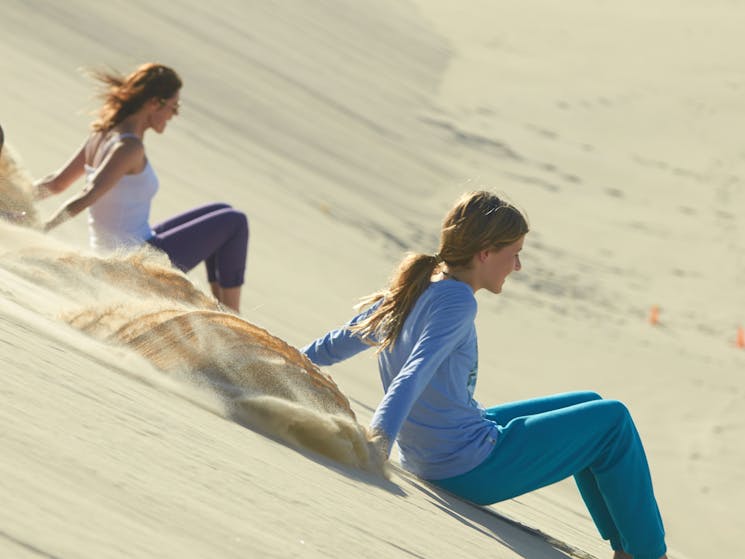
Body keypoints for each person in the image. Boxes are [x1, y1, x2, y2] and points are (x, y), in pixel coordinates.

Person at [301, 191, 667, 559]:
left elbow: (336, 343)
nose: (518, 266)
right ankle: (648, 555)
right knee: (613, 420)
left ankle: (627, 548)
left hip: (440, 450)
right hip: (465, 467)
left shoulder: (415, 285)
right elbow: (414, 373)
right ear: (486, 252)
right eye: (514, 254)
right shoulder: (458, 301)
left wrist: (274, 362)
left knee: (589, 405)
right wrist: (376, 447)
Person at [35, 63, 248, 312]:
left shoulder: (102, 135)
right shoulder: (128, 148)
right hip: (134, 264)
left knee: (221, 210)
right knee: (235, 221)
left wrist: (15, 199)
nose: (174, 114)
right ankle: (233, 315)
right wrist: (43, 228)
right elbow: (88, 195)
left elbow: (56, 183)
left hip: (133, 247)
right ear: (154, 103)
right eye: (173, 106)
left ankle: (223, 313)